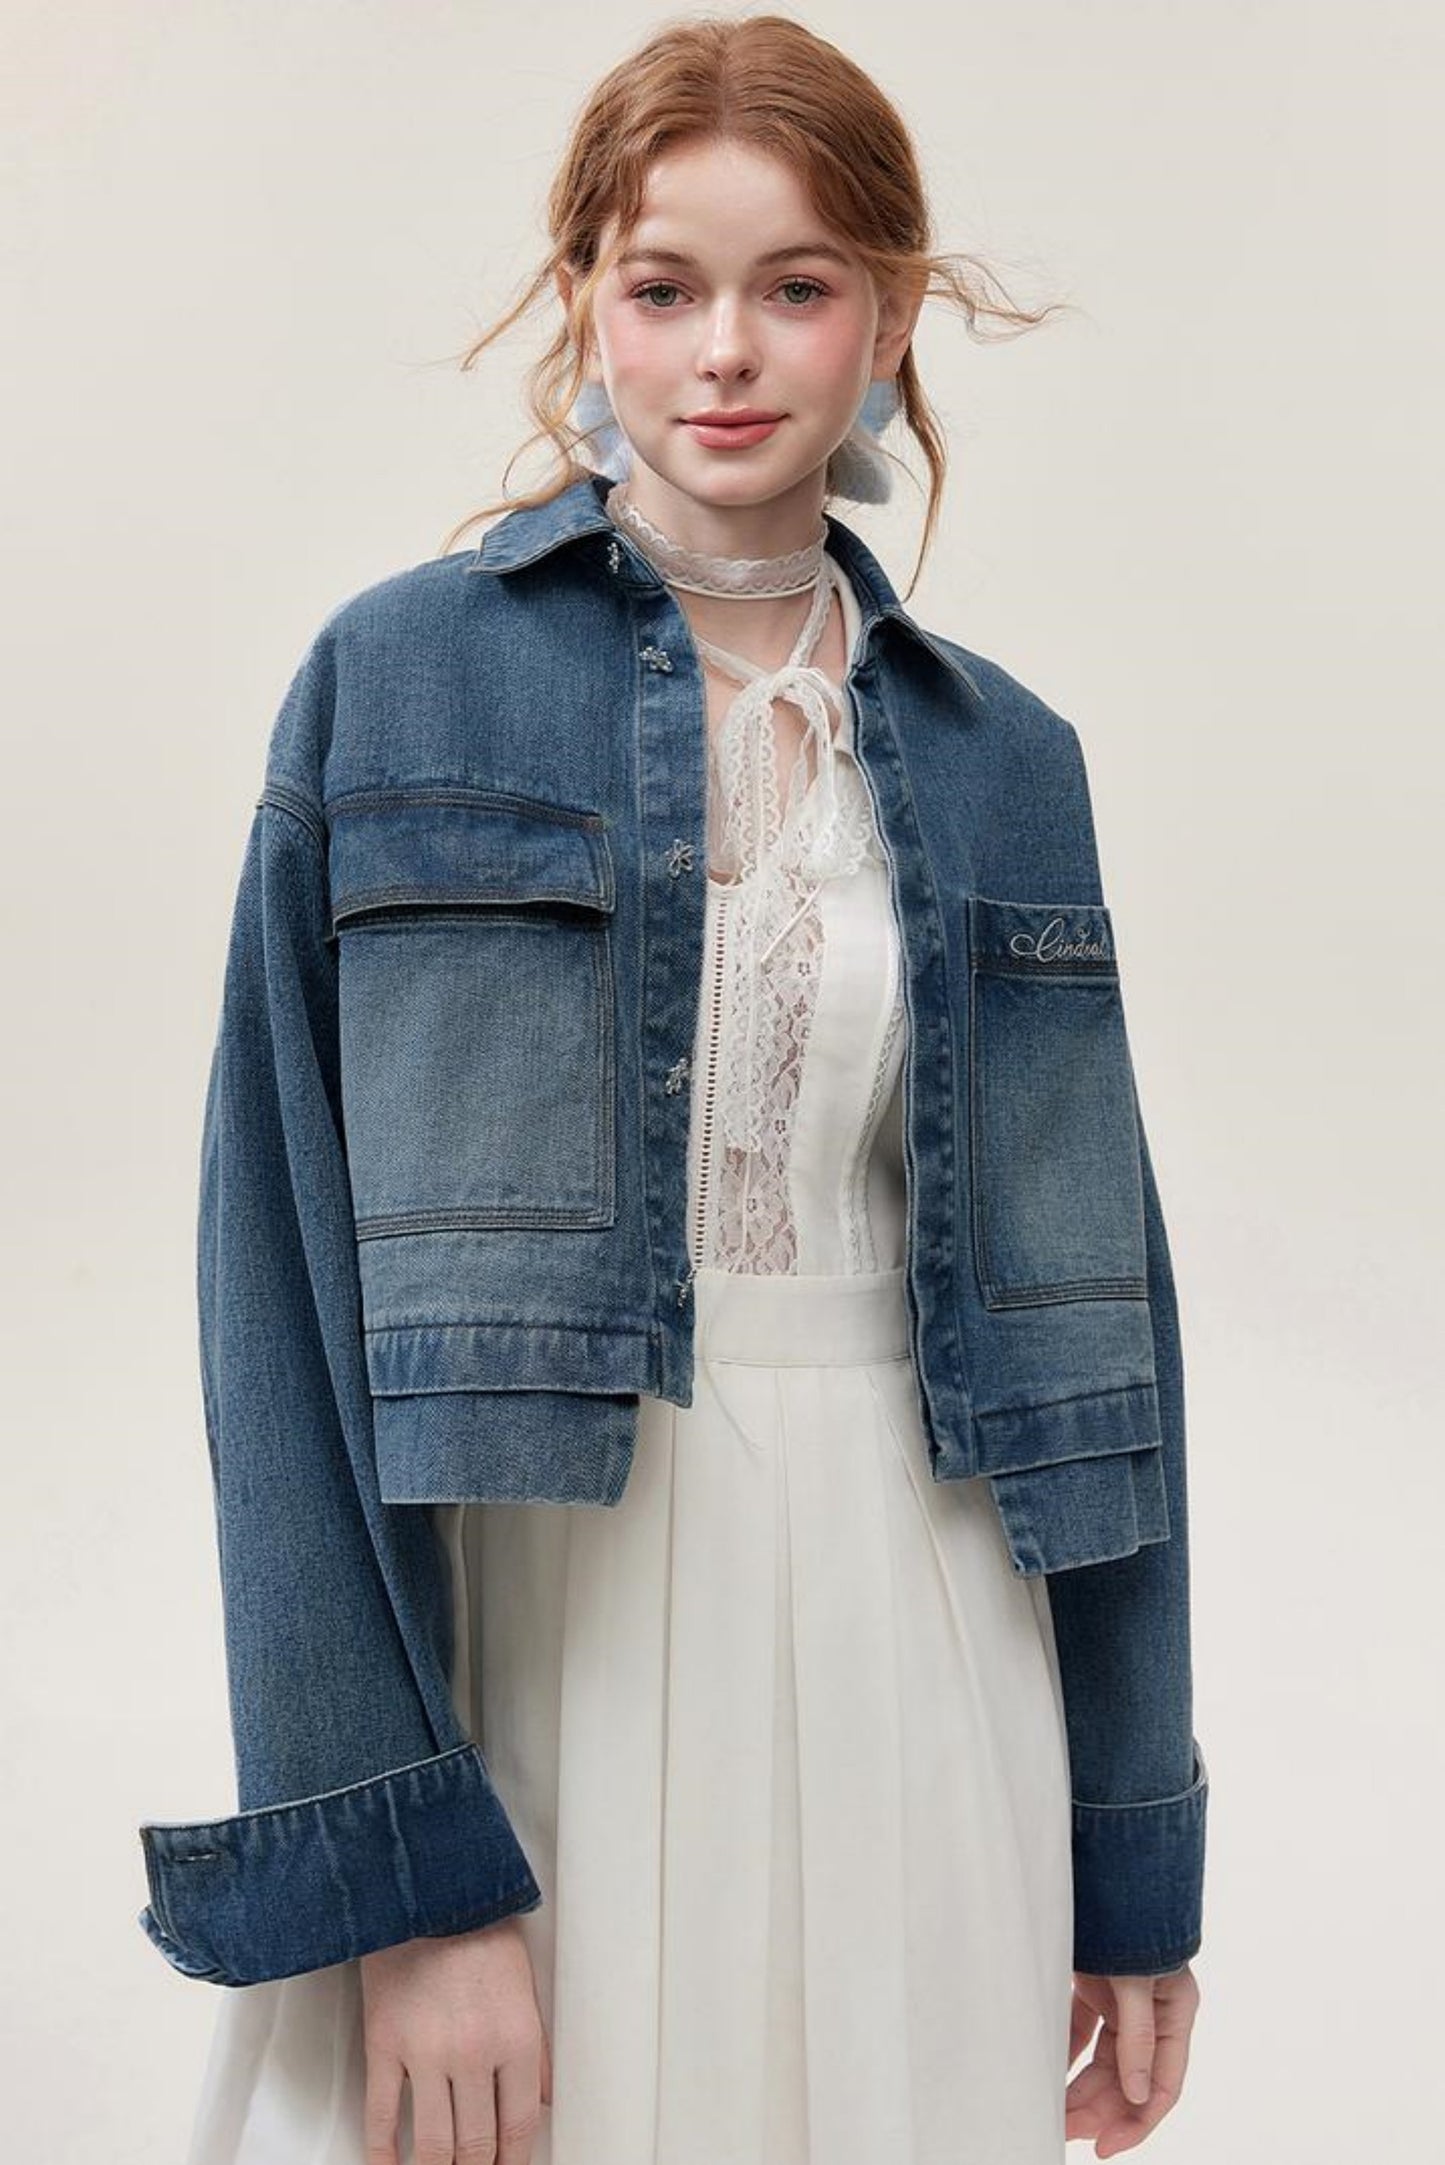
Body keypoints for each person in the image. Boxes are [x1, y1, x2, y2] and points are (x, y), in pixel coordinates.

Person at [147, 16, 1207, 2164]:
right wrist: (408, 1866)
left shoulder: (1010, 763)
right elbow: (276, 1298)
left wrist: (1132, 1858)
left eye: (796, 286)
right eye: (663, 285)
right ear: (584, 305)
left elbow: (1108, 1340)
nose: (726, 350)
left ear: (887, 320)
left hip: (928, 1643)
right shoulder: (392, 687)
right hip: (546, 1636)